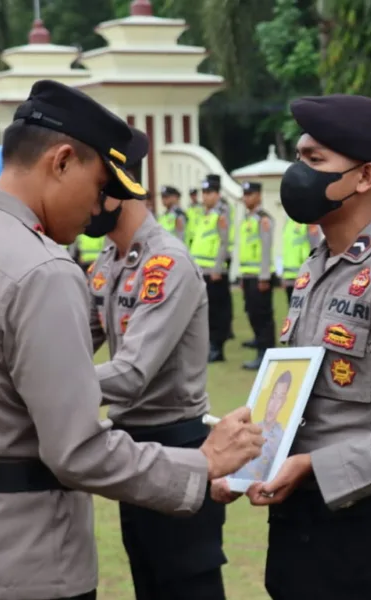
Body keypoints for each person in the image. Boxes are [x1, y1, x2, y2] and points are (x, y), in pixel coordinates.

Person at [0, 80, 263, 600]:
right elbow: (78, 452)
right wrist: (204, 463)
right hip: (27, 557)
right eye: (99, 182)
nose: (96, 206)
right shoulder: (44, 269)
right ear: (62, 161)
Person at [211, 94, 371, 600]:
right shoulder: (315, 267)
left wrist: (314, 467)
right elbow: (304, 400)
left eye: (314, 160)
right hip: (296, 531)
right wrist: (247, 461)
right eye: (298, 156)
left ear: (365, 177)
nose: (295, 172)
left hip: (366, 544)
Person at [84, 129, 228, 600]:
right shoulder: (108, 259)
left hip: (178, 446)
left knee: (186, 587)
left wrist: (43, 387)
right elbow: (74, 344)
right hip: (134, 451)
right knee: (149, 582)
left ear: (116, 188)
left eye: (90, 186)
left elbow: (130, 375)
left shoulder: (165, 263)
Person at [190, 174, 232, 362]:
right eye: (204, 192)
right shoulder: (203, 215)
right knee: (205, 310)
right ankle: (209, 345)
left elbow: (224, 243)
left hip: (214, 273)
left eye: (209, 193)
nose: (205, 196)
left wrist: (217, 268)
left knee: (217, 310)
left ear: (217, 194)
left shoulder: (220, 215)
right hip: (201, 271)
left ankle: (217, 347)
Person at [238, 181, 276, 370]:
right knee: (252, 313)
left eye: (250, 194)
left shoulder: (263, 219)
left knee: (262, 315)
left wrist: (264, 276)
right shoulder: (248, 218)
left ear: (259, 196)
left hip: (259, 276)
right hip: (248, 274)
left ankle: (266, 352)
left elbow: (266, 248)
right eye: (245, 194)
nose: (247, 198)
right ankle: (260, 347)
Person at [229, 371, 292, 482]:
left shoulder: (283, 438)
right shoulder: (249, 428)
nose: (273, 405)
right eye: (273, 397)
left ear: (284, 402)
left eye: (280, 399)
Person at [280, 217, 320, 306]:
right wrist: (284, 276)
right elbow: (287, 250)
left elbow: (316, 249)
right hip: (289, 276)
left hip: (305, 276)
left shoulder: (310, 221)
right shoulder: (288, 222)